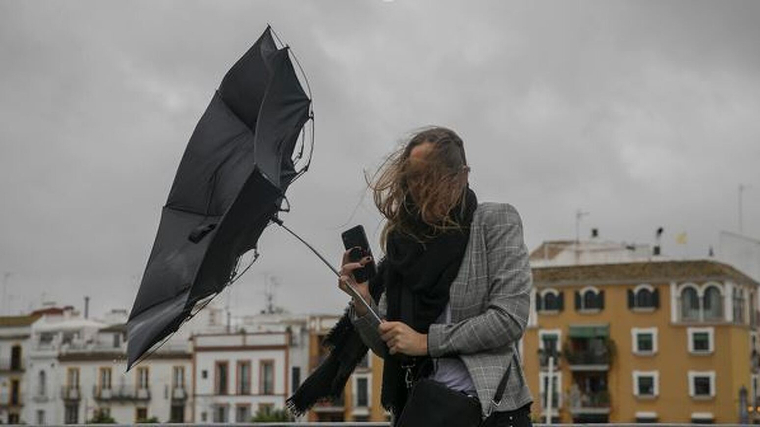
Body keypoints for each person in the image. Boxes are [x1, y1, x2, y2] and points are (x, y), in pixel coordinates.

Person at [287, 126, 533, 426]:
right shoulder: (405, 244)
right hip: (422, 411)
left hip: (489, 413)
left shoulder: (494, 221)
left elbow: (509, 319)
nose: (420, 190)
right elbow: (391, 346)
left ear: (462, 176)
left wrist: (426, 342)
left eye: (430, 179)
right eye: (412, 179)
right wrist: (363, 301)